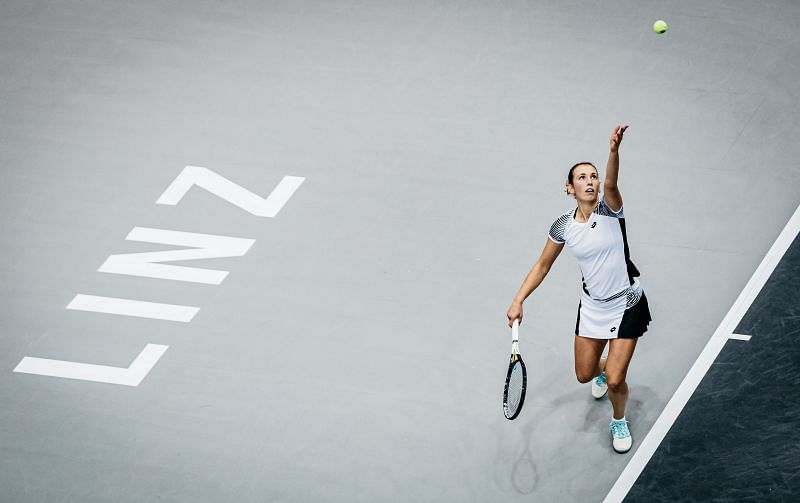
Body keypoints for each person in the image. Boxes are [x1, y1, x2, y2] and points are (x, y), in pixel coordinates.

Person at [506, 125, 651, 454]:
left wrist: (613, 151)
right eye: (582, 178)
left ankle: (618, 418)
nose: (590, 182)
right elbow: (543, 265)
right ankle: (607, 368)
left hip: (627, 304)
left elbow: (613, 183)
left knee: (615, 380)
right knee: (585, 375)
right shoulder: (563, 225)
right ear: (569, 188)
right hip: (593, 307)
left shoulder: (610, 210)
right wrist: (518, 299)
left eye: (593, 176)